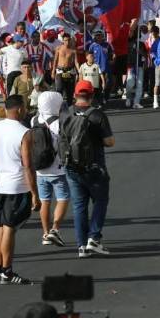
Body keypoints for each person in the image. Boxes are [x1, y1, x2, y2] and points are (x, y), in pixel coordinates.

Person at [0, 95, 39, 285]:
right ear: (19, 110)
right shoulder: (25, 132)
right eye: (24, 107)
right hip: (15, 187)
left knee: (0, 228)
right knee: (9, 229)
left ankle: (0, 270)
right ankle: (7, 272)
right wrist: (34, 194)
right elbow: (28, 166)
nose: (25, 110)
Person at [62, 80, 115, 258]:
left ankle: (81, 246)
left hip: (71, 167)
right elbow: (110, 141)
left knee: (79, 206)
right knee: (100, 201)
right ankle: (94, 237)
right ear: (91, 96)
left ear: (75, 95)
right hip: (94, 167)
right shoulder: (97, 115)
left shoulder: (66, 113)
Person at [34, 91, 69, 248]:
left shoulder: (34, 120)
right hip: (58, 169)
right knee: (62, 198)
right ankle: (55, 229)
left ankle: (45, 233)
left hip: (40, 170)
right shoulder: (60, 123)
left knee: (45, 202)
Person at [52, 33, 78, 106]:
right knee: (59, 89)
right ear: (63, 41)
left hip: (69, 71)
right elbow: (55, 60)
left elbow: (76, 62)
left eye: (69, 40)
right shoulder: (58, 48)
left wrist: (79, 72)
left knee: (70, 90)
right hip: (60, 71)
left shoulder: (73, 50)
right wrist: (53, 71)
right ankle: (58, 105)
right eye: (65, 40)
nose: (67, 42)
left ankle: (70, 106)